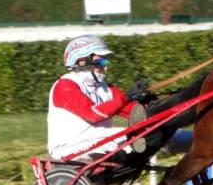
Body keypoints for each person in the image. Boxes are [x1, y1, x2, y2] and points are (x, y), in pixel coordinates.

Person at [47, 34, 154, 162]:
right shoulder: (64, 86)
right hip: (68, 148)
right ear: (81, 62)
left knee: (150, 133)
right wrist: (127, 97)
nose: (106, 67)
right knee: (129, 136)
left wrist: (147, 101)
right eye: (101, 62)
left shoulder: (105, 88)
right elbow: (93, 114)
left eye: (106, 62)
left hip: (98, 140)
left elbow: (133, 111)